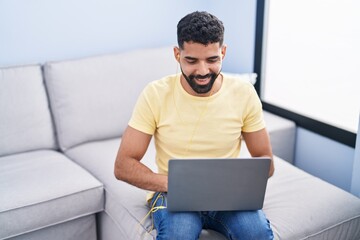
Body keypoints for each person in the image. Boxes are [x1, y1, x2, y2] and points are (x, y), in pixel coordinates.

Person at [114, 11, 274, 240]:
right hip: (173, 192)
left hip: (226, 195)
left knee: (256, 233)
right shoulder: (155, 94)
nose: (202, 71)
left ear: (224, 52)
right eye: (191, 60)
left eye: (212, 59)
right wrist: (177, 184)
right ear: (177, 54)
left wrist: (237, 182)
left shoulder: (244, 93)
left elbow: (266, 163)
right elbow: (123, 165)